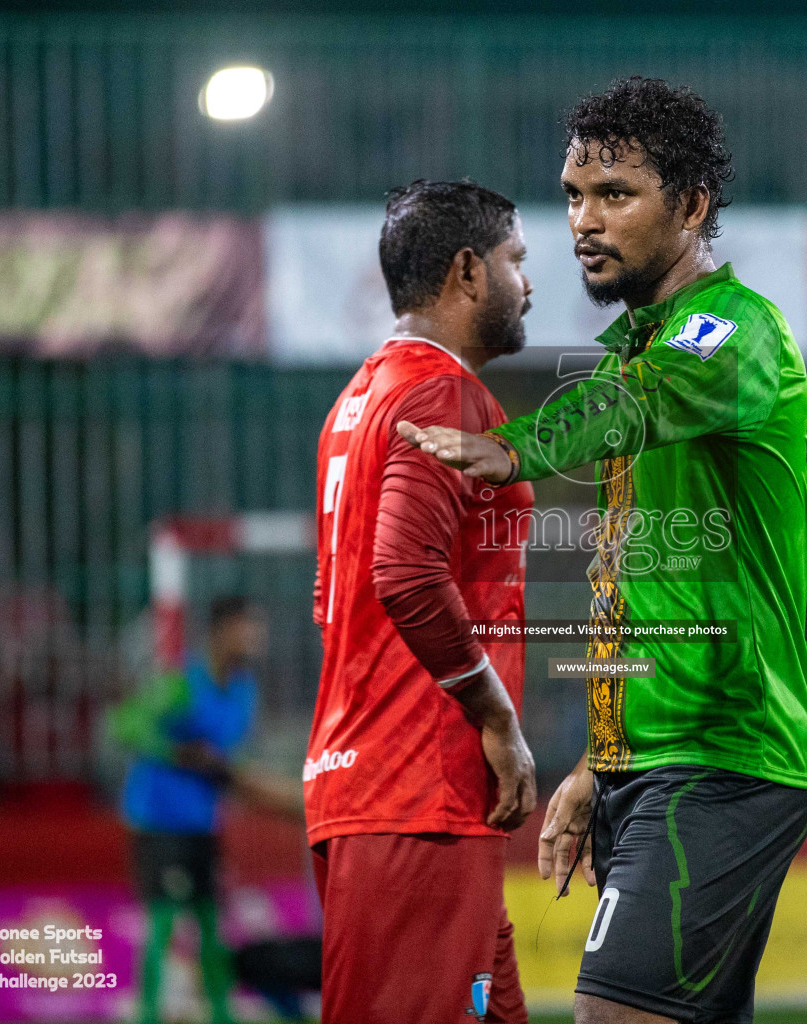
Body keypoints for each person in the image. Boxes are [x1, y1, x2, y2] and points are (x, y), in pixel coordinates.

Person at [401, 78, 807, 1024]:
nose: (583, 221)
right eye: (572, 197)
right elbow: (638, 589)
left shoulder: (732, 331)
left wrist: (515, 447)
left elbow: (642, 399)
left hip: (723, 756)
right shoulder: (640, 347)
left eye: (616, 194)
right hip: (659, 760)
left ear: (693, 206)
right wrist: (601, 761)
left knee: (610, 1015)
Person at [305, 180, 537, 1024]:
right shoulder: (444, 397)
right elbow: (401, 575)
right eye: (518, 262)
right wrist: (498, 720)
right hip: (417, 793)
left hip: (373, 786)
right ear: (469, 272)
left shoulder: (357, 400)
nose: (529, 284)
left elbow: (334, 597)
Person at [110, 595, 264, 1024]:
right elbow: (123, 723)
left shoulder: (245, 691)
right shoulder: (181, 681)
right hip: (159, 820)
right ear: (220, 631)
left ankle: (221, 1013)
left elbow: (227, 755)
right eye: (247, 628)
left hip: (202, 822)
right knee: (161, 923)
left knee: (211, 923)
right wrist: (176, 751)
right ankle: (147, 1014)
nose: (256, 638)